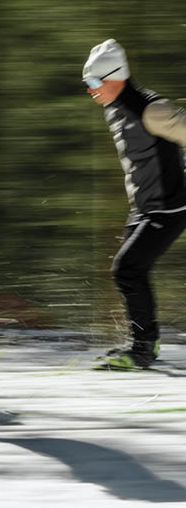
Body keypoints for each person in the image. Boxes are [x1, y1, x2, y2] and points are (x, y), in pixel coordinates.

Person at [83, 39, 186, 370]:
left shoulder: (151, 109)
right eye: (87, 83)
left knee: (127, 269)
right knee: (130, 272)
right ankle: (143, 343)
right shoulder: (116, 108)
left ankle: (142, 348)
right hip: (145, 207)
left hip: (169, 208)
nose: (91, 90)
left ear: (117, 77)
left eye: (95, 82)